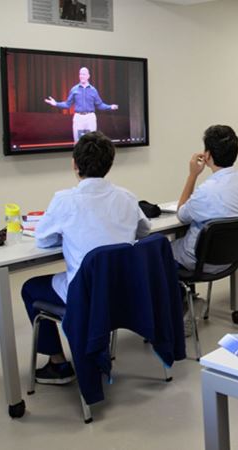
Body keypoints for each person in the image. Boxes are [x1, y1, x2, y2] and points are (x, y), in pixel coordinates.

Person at [21, 131, 150, 384]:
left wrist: (69, 235)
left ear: (74, 164)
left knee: (30, 288)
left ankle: (57, 364)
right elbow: (143, 230)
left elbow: (43, 239)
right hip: (124, 291)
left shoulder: (64, 200)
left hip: (87, 295)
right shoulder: (126, 197)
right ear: (110, 164)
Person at [172, 124, 238, 272]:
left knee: (158, 248)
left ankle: (179, 294)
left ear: (207, 155)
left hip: (200, 260)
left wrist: (192, 175)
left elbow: (182, 215)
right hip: (234, 257)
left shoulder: (206, 191)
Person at [44, 67, 118, 143]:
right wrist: (56, 103)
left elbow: (100, 105)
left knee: (91, 142)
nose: (81, 76)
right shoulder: (74, 89)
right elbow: (67, 104)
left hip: (90, 118)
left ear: (88, 76)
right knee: (78, 143)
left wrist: (110, 107)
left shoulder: (93, 90)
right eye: (80, 74)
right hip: (78, 118)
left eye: (83, 74)